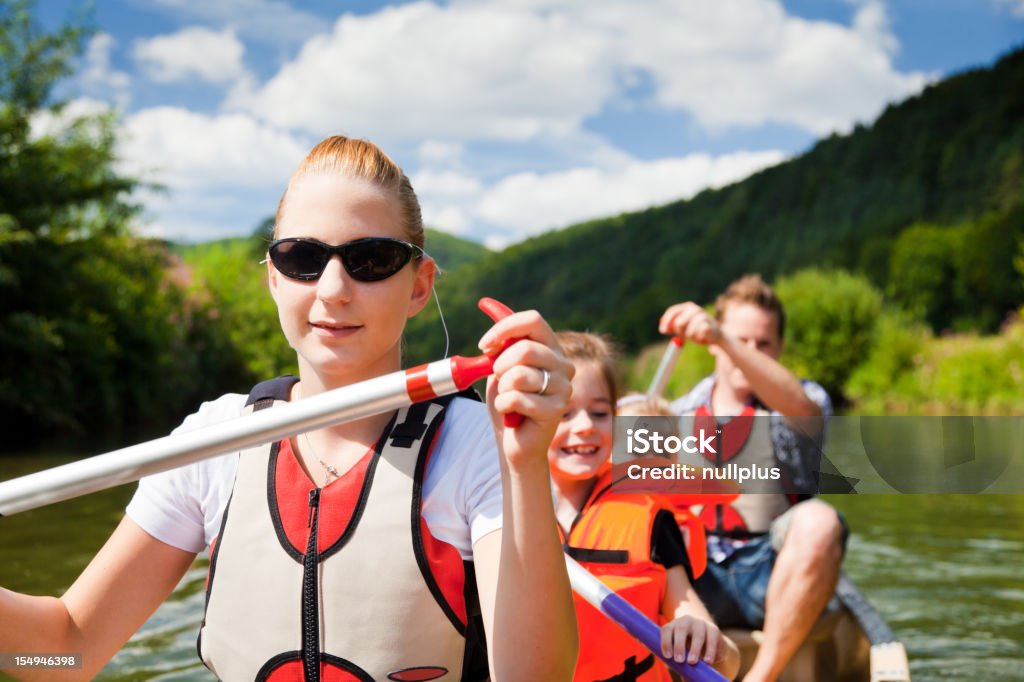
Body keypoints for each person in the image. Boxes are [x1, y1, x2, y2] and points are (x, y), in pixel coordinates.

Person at [0, 135, 578, 682]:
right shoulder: (212, 439)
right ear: (274, 277)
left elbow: (534, 676)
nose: (332, 289)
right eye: (302, 257)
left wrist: (526, 467)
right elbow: (63, 656)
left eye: (371, 259)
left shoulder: (481, 444)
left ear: (420, 285)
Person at [658, 274, 845, 682]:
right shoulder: (676, 412)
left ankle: (762, 677)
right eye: (741, 341)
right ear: (712, 348)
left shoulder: (802, 402)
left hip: (769, 571)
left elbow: (801, 407)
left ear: (778, 350)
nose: (751, 352)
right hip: (696, 576)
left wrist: (725, 338)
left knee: (821, 521)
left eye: (764, 344)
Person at [549, 332, 739, 682]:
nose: (586, 426)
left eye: (600, 412)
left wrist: (702, 637)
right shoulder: (498, 512)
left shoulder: (652, 516)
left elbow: (726, 661)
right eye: (564, 414)